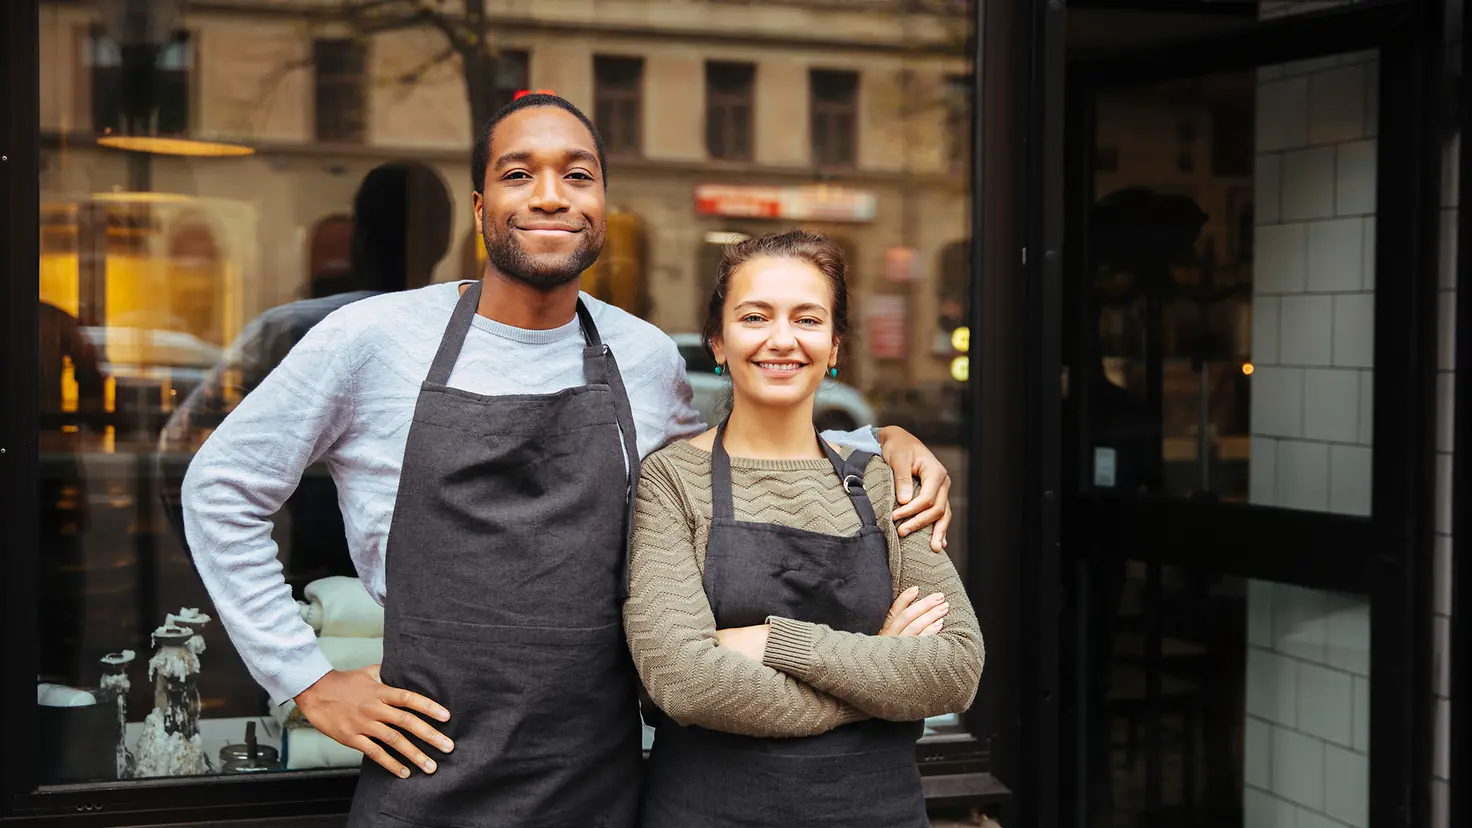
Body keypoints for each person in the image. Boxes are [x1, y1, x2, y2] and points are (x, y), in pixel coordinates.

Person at [181, 94, 955, 828]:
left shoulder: (644, 357)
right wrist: (304, 679)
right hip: (426, 781)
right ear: (481, 208)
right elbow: (220, 486)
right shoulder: (373, 340)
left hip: (601, 783)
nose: (550, 195)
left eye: (577, 175)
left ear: (602, 211)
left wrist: (880, 443)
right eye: (518, 173)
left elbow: (737, 464)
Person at [624, 230, 984, 828]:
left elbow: (954, 670)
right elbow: (685, 681)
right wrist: (880, 676)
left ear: (834, 344)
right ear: (719, 340)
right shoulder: (671, 483)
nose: (782, 339)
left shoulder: (884, 482)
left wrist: (772, 642)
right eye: (755, 316)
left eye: (807, 319)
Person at [161, 161, 454, 590]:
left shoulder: (290, 328)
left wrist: (238, 587)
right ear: (444, 241)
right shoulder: (475, 333)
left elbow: (184, 452)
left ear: (358, 238)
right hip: (410, 592)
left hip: (314, 582)